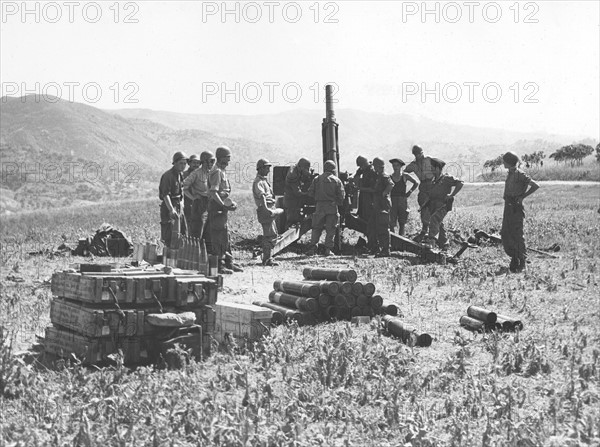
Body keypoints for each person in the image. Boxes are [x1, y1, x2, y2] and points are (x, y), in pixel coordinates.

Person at [501, 151, 539, 273]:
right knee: (506, 233)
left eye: (504, 161)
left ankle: (521, 261)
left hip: (515, 207)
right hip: (508, 206)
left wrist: (522, 196)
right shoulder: (511, 173)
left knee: (517, 234)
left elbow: (535, 185)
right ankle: (515, 258)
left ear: (508, 162)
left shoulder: (519, 174)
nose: (503, 163)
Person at [207, 146, 242, 274]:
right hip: (217, 209)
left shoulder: (221, 171)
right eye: (227, 158)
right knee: (218, 237)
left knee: (225, 236)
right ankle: (219, 265)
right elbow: (213, 192)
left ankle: (229, 262)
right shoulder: (216, 171)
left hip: (221, 209)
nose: (228, 161)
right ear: (221, 158)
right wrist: (223, 205)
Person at [306, 160, 345, 256]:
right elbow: (342, 196)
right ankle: (328, 250)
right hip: (331, 207)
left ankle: (312, 249)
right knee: (331, 229)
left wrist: (318, 198)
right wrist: (336, 202)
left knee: (316, 228)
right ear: (333, 169)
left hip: (319, 206)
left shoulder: (317, 179)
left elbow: (310, 192)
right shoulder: (337, 180)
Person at [423, 158, 463, 250]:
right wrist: (424, 204)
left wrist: (452, 194)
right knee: (439, 224)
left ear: (438, 169)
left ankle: (431, 243)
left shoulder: (446, 178)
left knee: (434, 219)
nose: (431, 171)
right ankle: (444, 244)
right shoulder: (434, 180)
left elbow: (460, 183)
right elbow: (431, 195)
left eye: (433, 168)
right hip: (434, 205)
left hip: (443, 205)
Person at [404, 145, 435, 240]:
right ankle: (424, 230)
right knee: (423, 207)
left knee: (433, 208)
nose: (419, 156)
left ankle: (433, 232)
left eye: (420, 153)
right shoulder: (413, 164)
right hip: (423, 186)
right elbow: (405, 170)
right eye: (416, 154)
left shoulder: (429, 160)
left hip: (431, 184)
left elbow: (438, 169)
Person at [253, 159, 280, 266]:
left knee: (272, 234)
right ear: (261, 168)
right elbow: (262, 197)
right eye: (267, 168)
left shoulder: (263, 181)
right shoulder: (258, 182)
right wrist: (266, 209)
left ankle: (267, 258)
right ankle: (266, 259)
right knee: (269, 235)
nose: (269, 170)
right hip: (265, 209)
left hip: (269, 208)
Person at [159, 152, 188, 249]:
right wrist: (171, 209)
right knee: (169, 234)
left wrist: (182, 204)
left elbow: (182, 191)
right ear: (174, 163)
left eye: (184, 163)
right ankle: (168, 257)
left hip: (179, 206)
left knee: (181, 232)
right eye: (181, 163)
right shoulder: (168, 176)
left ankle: (178, 256)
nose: (183, 166)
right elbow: (165, 194)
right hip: (169, 206)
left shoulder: (180, 175)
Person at [183, 151, 215, 240]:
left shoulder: (211, 173)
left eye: (213, 161)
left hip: (209, 204)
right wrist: (193, 197)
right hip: (199, 204)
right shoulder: (196, 173)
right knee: (196, 231)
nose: (212, 163)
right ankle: (194, 251)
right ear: (205, 161)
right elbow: (184, 187)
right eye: (211, 161)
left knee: (208, 231)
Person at [369, 157, 395, 257]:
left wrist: (384, 193)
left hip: (383, 205)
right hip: (378, 205)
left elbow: (391, 184)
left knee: (383, 228)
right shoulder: (379, 176)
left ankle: (385, 250)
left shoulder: (384, 176)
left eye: (375, 166)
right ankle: (378, 248)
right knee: (375, 226)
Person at [353, 155, 378, 251]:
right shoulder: (364, 169)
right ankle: (370, 242)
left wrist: (359, 188)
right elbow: (356, 175)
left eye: (361, 166)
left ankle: (373, 244)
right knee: (364, 219)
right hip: (364, 198)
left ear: (364, 164)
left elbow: (373, 189)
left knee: (369, 222)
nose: (360, 168)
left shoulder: (371, 171)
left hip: (370, 199)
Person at [389, 158, 419, 236]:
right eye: (394, 165)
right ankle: (392, 239)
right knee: (392, 221)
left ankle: (401, 239)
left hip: (402, 200)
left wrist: (409, 192)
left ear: (401, 166)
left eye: (397, 165)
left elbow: (416, 183)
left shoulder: (405, 176)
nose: (395, 167)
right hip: (393, 200)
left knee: (402, 221)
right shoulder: (390, 177)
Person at [283, 158, 312, 226]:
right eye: (306, 168)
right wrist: (307, 194)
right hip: (291, 201)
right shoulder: (292, 175)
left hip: (295, 199)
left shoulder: (297, 169)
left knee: (296, 220)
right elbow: (297, 193)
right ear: (301, 167)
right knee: (291, 221)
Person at [182, 154, 201, 230]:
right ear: (189, 163)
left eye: (198, 163)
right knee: (189, 225)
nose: (196, 165)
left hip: (199, 204)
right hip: (188, 204)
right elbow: (183, 189)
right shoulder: (184, 175)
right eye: (194, 162)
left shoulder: (202, 174)